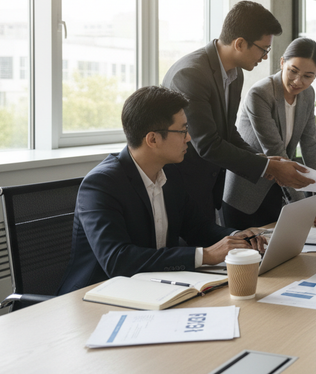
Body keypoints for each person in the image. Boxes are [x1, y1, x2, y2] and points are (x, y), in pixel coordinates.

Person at [58, 87, 267, 294]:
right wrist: (206, 255)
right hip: (97, 294)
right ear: (153, 139)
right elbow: (117, 260)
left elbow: (198, 228)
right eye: (183, 130)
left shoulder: (171, 174)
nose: (188, 138)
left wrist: (237, 237)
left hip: (155, 288)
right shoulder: (101, 184)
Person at [162, 1, 313, 224]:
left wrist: (263, 160)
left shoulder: (234, 74)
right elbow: (207, 143)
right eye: (264, 49)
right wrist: (268, 166)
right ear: (240, 44)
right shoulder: (191, 74)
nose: (264, 57)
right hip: (181, 184)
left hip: (207, 184)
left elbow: (227, 132)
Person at [222, 37, 316, 228]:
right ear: (282, 62)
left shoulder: (308, 95)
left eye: (308, 76)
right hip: (246, 195)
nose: (298, 81)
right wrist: (303, 205)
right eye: (293, 71)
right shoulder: (260, 94)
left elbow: (310, 147)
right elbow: (276, 152)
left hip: (278, 194)